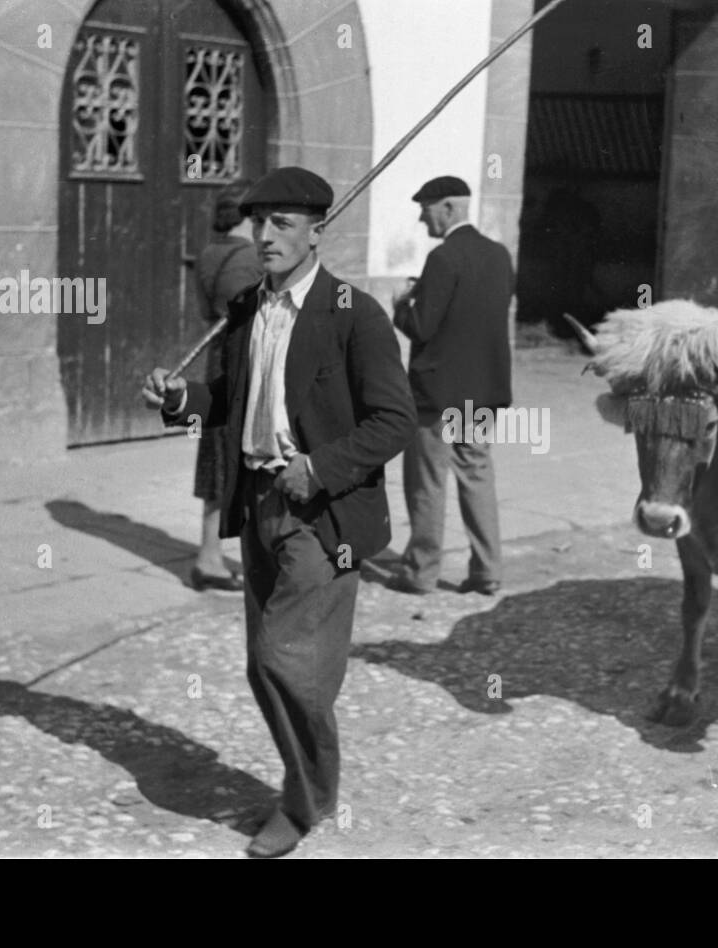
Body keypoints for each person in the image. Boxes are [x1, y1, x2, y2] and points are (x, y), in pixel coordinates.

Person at [140, 167, 416, 858]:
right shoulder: (247, 311)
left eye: (283, 224)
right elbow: (227, 402)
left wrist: (319, 467)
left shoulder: (355, 313)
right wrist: (180, 400)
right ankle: (310, 781)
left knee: (283, 660)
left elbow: (395, 420)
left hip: (322, 515)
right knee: (268, 666)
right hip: (257, 503)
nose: (266, 236)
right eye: (259, 222)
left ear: (316, 232)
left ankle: (304, 801)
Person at [388, 175, 514, 596]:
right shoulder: (499, 256)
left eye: (426, 211)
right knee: (477, 476)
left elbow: (424, 326)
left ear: (447, 208)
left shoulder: (442, 259)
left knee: (427, 482)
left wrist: (401, 305)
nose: (423, 221)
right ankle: (487, 571)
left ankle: (421, 572)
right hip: (482, 392)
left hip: (438, 395)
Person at [189, 181, 263, 592]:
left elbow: (207, 311)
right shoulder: (254, 258)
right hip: (247, 364)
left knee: (217, 462)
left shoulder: (208, 254)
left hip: (216, 362)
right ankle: (232, 558)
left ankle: (210, 557)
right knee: (251, 460)